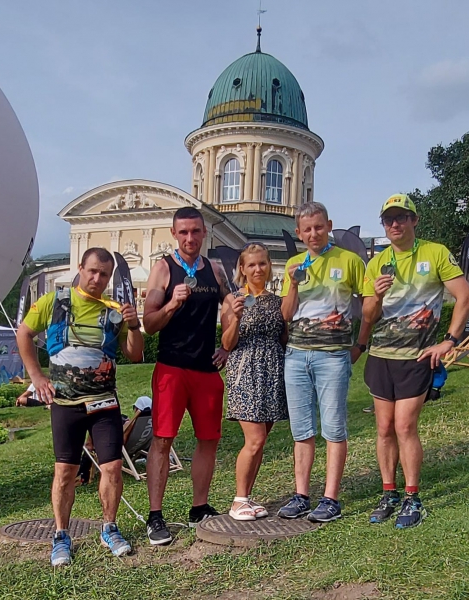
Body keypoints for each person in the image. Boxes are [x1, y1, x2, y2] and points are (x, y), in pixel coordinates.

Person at [16, 248, 144, 566]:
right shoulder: (55, 302)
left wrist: (136, 326)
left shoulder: (115, 310)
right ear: (80, 268)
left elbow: (135, 355)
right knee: (65, 473)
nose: (97, 279)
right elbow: (25, 333)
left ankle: (109, 528)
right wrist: (36, 376)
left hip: (104, 404)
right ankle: (61, 535)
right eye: (92, 271)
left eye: (104, 274)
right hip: (66, 404)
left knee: (112, 468)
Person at [356, 193, 469, 528]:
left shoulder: (434, 253)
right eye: (388, 219)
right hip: (381, 356)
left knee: (405, 426)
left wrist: (448, 342)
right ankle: (389, 492)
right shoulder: (377, 262)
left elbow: (465, 297)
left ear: (414, 220)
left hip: (416, 356)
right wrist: (376, 295)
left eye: (401, 217)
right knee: (383, 428)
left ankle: (413, 497)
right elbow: (367, 314)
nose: (395, 224)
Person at [142, 206, 231, 545]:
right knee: (163, 440)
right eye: (184, 232)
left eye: (195, 231)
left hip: (207, 370)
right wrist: (170, 304)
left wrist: (227, 347)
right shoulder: (163, 269)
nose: (190, 238)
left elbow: (233, 308)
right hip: (172, 368)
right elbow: (149, 325)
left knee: (208, 439)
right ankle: (155, 516)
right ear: (174, 234)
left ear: (204, 232)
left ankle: (200, 507)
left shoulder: (217, 270)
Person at [278, 202, 365, 523]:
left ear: (328, 225)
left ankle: (331, 499)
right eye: (307, 229)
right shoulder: (294, 264)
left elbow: (368, 302)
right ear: (299, 233)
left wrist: (361, 344)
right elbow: (285, 316)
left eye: (318, 227)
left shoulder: (350, 261)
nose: (313, 234)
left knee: (333, 428)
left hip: (333, 357)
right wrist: (294, 283)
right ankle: (302, 495)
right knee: (301, 431)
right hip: (297, 355)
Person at [220, 243, 288, 521]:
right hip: (245, 370)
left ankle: (247, 497)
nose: (257, 269)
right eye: (252, 265)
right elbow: (226, 343)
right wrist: (235, 317)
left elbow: (283, 338)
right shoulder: (233, 299)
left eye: (262, 263)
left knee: (262, 440)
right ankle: (238, 501)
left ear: (269, 266)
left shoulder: (277, 300)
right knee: (255, 438)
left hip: (272, 371)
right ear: (242, 269)